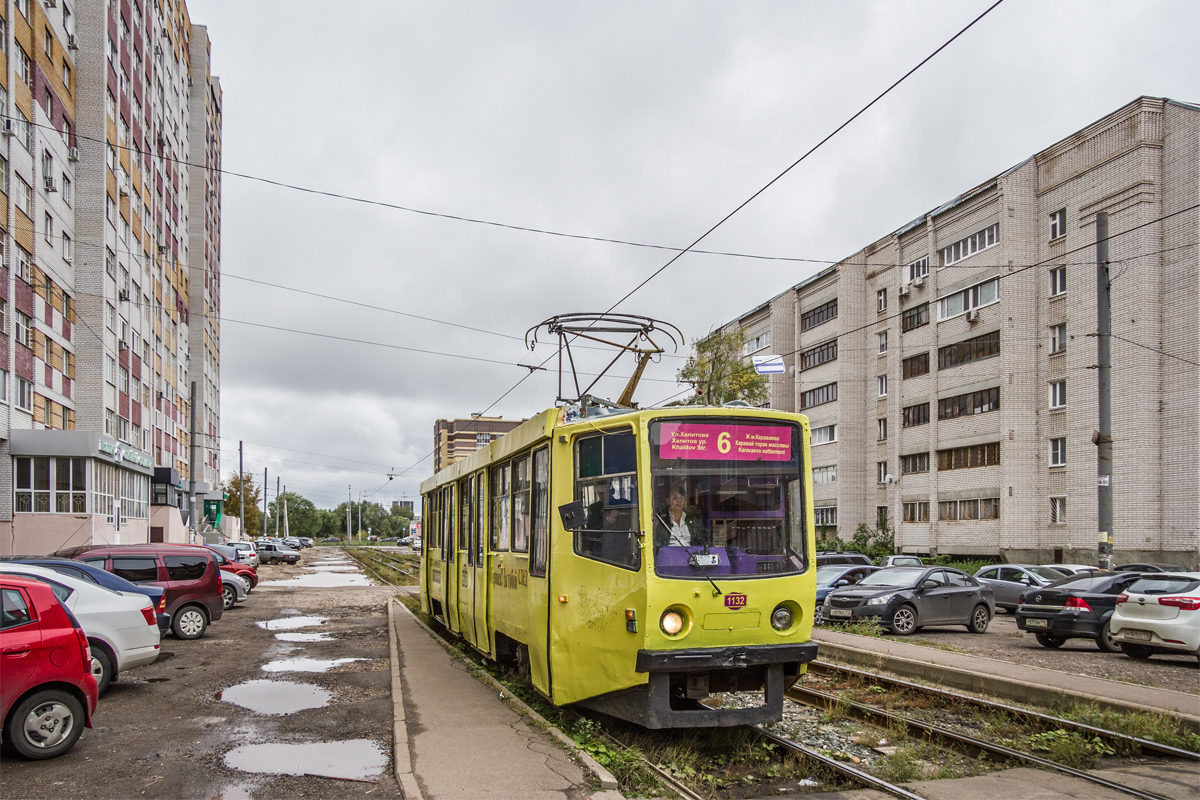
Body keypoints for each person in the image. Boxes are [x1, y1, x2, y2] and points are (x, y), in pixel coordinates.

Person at [653, 483, 705, 548]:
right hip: (669, 557)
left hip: (691, 557)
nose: (679, 501)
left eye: (681, 498)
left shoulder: (692, 520)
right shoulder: (659, 520)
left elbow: (701, 542)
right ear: (668, 500)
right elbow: (656, 546)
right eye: (675, 498)